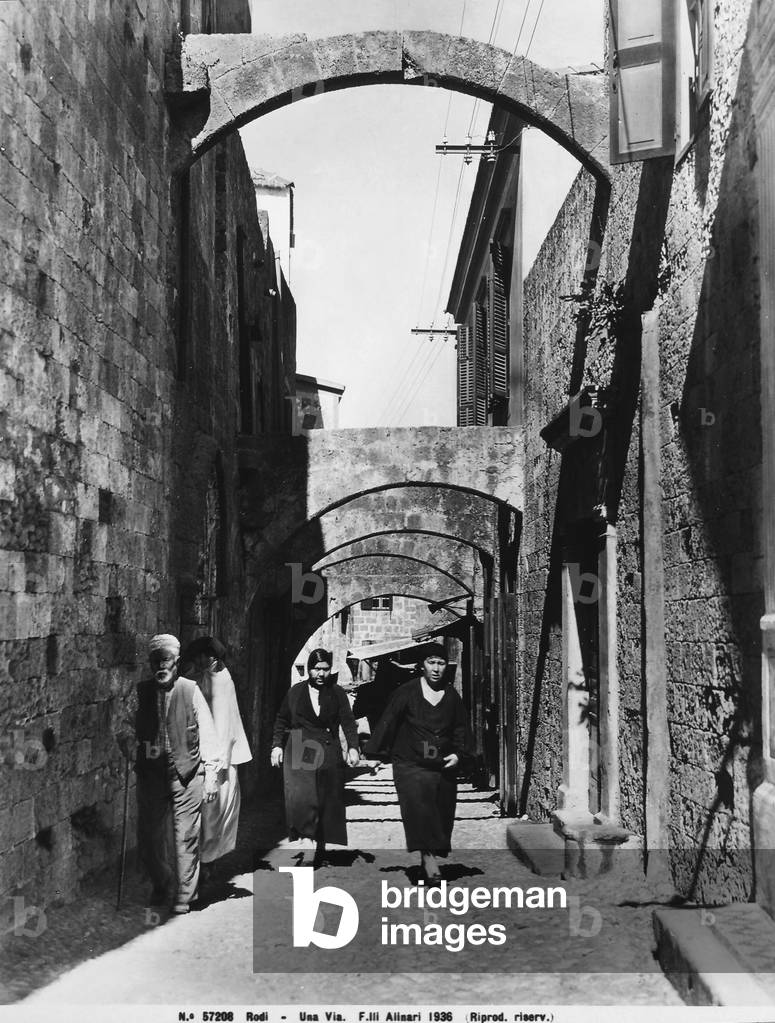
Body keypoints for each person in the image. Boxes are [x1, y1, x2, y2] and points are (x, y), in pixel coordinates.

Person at [130, 633, 221, 913]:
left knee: (186, 837)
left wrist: (211, 775)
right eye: (156, 660)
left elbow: (208, 732)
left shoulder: (190, 690)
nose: (162, 665)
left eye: (166, 660)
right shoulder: (141, 691)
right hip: (152, 775)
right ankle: (163, 881)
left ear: (177, 662)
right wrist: (127, 744)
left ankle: (184, 895)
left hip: (187, 773)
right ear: (150, 663)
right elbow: (123, 724)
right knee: (148, 838)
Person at [365, 642, 468, 882]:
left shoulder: (451, 696)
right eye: (431, 663)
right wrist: (376, 755)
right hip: (410, 763)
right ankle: (429, 861)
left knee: (441, 812)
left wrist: (459, 754)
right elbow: (388, 721)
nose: (436, 669)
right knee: (420, 810)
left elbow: (461, 728)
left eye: (441, 663)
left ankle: (427, 856)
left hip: (441, 764)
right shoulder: (406, 693)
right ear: (422, 665)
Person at [270, 649, 360, 865]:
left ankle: (317, 843)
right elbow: (281, 719)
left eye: (325, 669)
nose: (320, 674)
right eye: (316, 669)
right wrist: (276, 746)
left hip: (327, 747)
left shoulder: (337, 693)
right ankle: (308, 841)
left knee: (325, 798)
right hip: (300, 745)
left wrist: (353, 747)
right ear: (309, 669)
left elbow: (348, 721)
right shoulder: (295, 692)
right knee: (303, 796)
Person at [184, 636, 252, 868]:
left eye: (202, 657)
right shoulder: (209, 677)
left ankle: (207, 862)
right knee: (210, 814)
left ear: (211, 658)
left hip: (220, 758)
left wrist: (216, 762)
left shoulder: (221, 681)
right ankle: (205, 861)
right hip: (214, 756)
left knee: (214, 813)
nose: (199, 661)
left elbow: (223, 724)